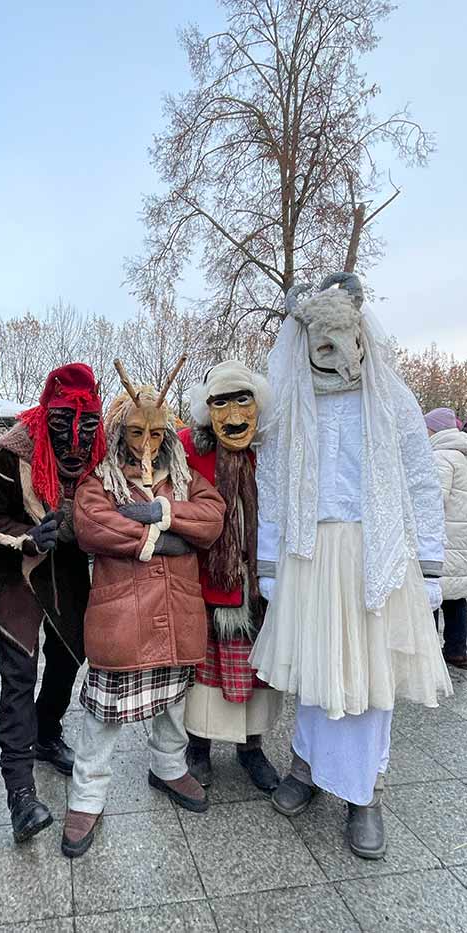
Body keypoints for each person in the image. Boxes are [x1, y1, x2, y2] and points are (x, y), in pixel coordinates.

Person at [249, 273, 452, 860]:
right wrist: (270, 562)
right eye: (326, 346)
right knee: (314, 671)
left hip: (376, 556)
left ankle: (367, 793)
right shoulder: (290, 407)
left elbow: (418, 479)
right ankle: (306, 766)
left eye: (350, 342)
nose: (342, 359)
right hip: (309, 557)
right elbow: (274, 486)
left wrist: (430, 568)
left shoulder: (391, 398)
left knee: (369, 683)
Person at [61, 363, 225, 858]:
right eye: (136, 431)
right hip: (122, 620)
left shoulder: (185, 477)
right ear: (120, 430)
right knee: (103, 715)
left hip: (176, 616)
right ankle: (86, 797)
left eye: (157, 432)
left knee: (174, 704)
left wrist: (164, 514)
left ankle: (169, 767)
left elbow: (213, 517)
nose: (147, 443)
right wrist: (169, 541)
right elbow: (92, 525)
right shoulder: (102, 479)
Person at [0, 363, 105, 844]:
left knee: (68, 660)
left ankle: (46, 732)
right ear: (45, 416)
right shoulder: (13, 451)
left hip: (69, 571)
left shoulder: (101, 451)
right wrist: (26, 537)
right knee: (18, 673)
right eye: (63, 427)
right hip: (17, 573)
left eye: (86, 427)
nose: (74, 443)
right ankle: (20, 792)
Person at [180, 361, 282, 792]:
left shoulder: (272, 451)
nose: (234, 412)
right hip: (207, 580)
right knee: (206, 670)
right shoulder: (188, 447)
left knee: (257, 672)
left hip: (261, 582)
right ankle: (198, 746)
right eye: (221, 401)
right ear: (207, 409)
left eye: (243, 399)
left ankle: (251, 748)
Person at [425, 407, 467, 667]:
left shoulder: (441, 457)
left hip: (443, 538)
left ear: (435, 430)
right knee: (458, 595)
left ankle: (427, 652)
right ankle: (457, 648)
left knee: (431, 592)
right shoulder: (462, 456)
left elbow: (434, 498)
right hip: (461, 538)